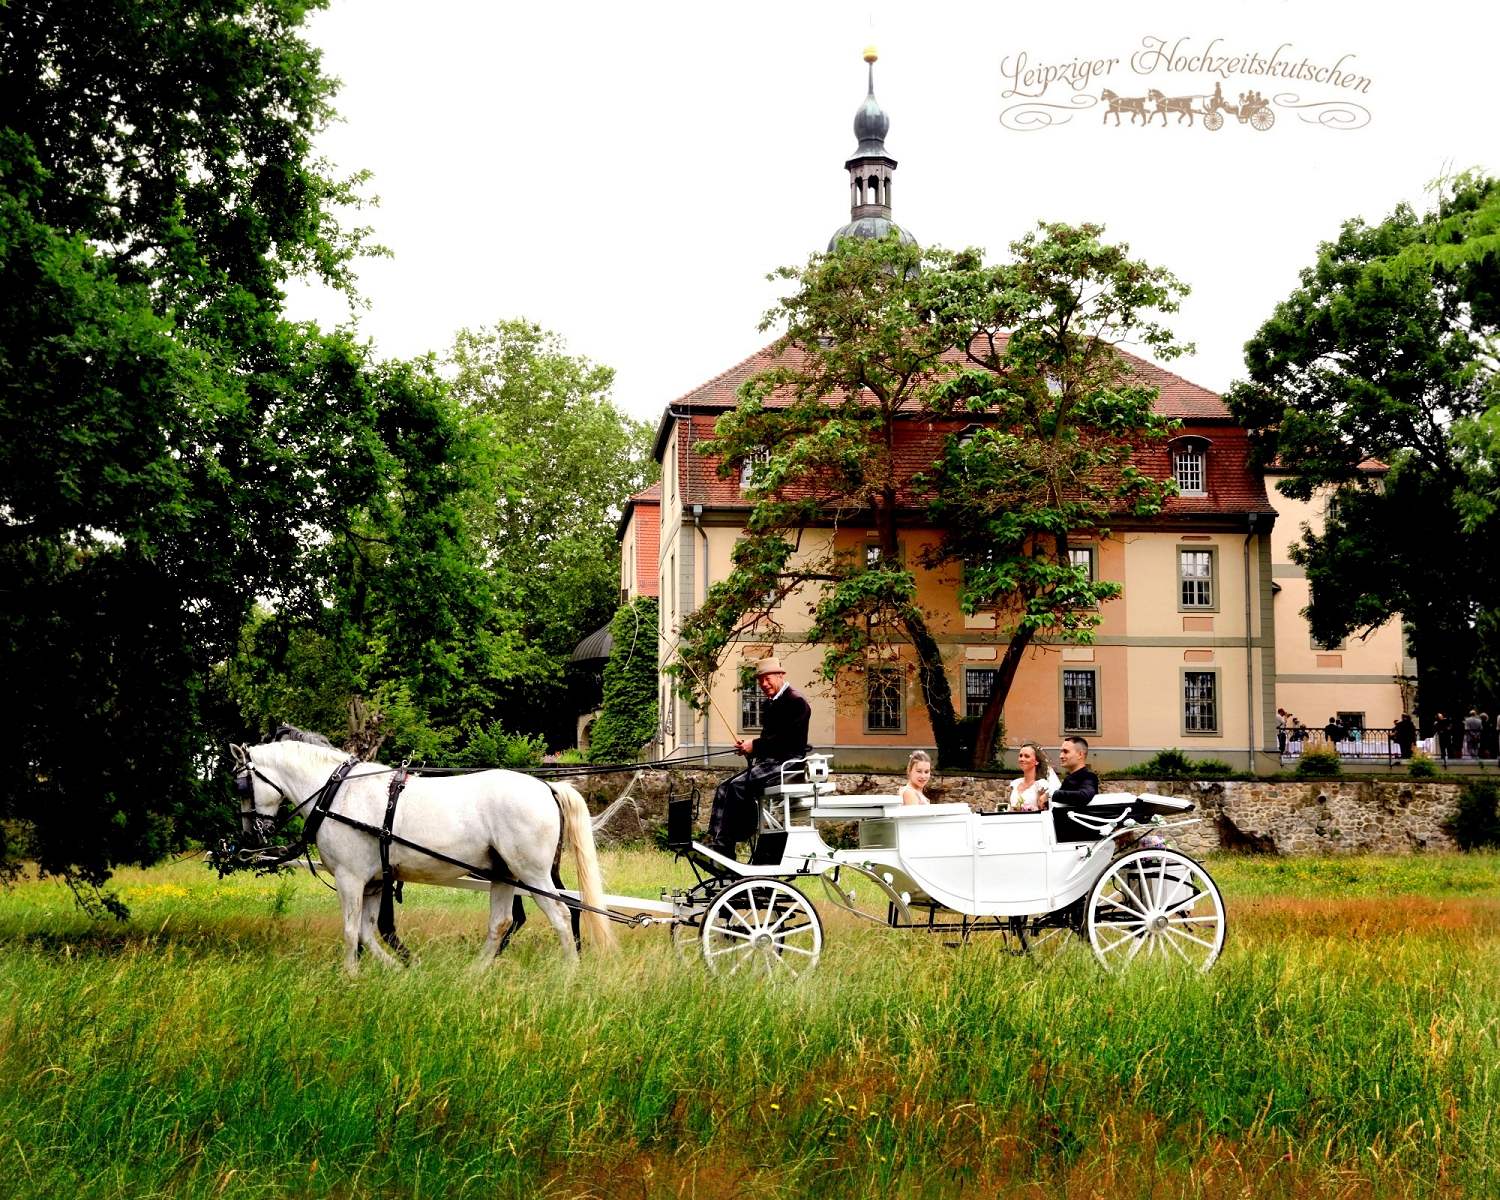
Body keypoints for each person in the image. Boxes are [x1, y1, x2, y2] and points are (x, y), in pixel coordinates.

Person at [705, 656, 811, 860]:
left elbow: (787, 742)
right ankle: (716, 840)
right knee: (724, 788)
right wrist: (750, 749)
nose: (763, 684)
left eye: (767, 678)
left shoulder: (796, 702)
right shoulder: (772, 703)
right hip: (771, 761)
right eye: (760, 680)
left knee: (738, 787)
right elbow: (769, 741)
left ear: (781, 675)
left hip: (788, 762)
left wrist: (755, 746)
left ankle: (727, 844)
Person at [1007, 741, 1060, 811]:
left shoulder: (1042, 785)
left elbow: (1044, 810)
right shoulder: (1014, 783)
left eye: (1027, 756)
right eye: (1020, 756)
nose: (1022, 759)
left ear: (1036, 761)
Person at [1052, 736, 1100, 808]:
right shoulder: (1070, 778)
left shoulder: (1089, 776)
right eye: (1061, 752)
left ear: (1080, 755)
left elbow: (1084, 796)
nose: (1061, 756)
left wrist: (1052, 794)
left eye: (1065, 752)